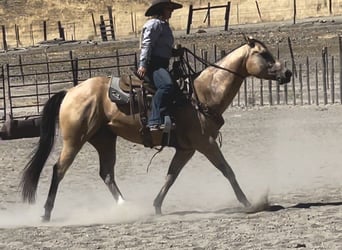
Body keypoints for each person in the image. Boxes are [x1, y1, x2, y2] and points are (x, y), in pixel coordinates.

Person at [137, 0, 183, 131]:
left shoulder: (164, 25)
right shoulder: (154, 24)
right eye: (169, 8)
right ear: (161, 9)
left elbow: (163, 49)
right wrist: (143, 64)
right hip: (153, 65)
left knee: (177, 90)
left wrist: (175, 52)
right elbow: (147, 45)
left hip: (162, 64)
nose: (171, 11)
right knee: (166, 85)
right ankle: (155, 119)